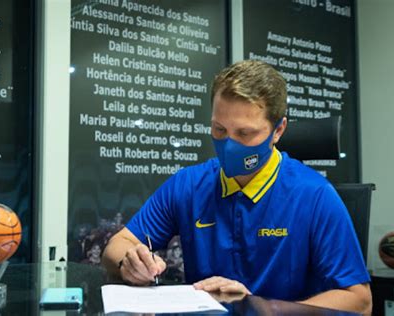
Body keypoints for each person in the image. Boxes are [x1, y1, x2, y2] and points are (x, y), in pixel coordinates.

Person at [103, 60, 372, 314]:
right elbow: (118, 245)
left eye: (244, 133)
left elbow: (360, 300)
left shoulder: (314, 195)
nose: (229, 145)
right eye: (220, 130)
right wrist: (129, 262)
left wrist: (263, 308)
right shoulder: (189, 185)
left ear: (278, 131)